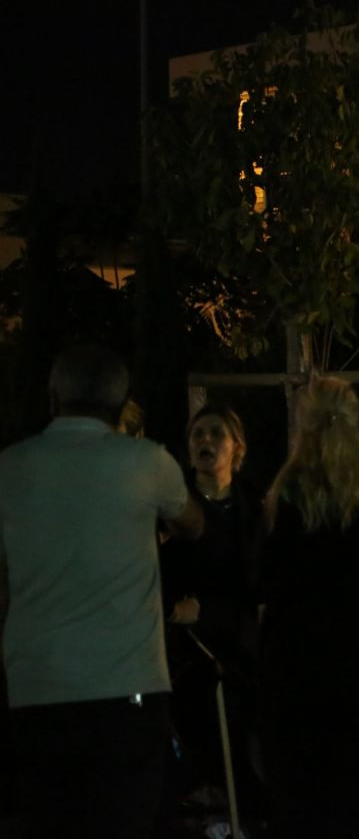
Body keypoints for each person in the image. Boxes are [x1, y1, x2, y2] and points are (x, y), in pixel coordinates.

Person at [0, 344, 204, 839]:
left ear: (53, 397)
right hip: (126, 683)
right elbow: (193, 522)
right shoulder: (147, 462)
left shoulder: (10, 466)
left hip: (37, 682)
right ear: (121, 403)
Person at [258, 376, 359, 838]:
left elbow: (270, 584)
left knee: (303, 813)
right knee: (358, 813)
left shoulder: (288, 498)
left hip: (299, 686)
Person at [159, 403, 265, 822]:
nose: (205, 441)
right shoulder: (171, 507)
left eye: (215, 433)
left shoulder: (255, 508)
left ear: (236, 446)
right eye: (197, 433)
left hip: (239, 642)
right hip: (187, 648)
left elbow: (258, 581)